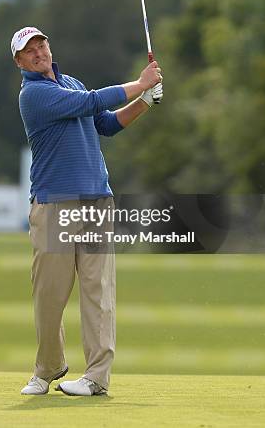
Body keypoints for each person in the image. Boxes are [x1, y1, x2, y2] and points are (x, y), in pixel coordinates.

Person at [12, 26, 162, 396]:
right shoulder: (34, 95)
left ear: (49, 46)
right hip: (53, 204)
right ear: (19, 61)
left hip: (97, 200)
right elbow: (92, 103)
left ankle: (96, 377)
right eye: (29, 50)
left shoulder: (72, 83)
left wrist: (143, 103)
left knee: (98, 292)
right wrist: (141, 83)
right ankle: (48, 367)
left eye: (41, 44)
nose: (39, 53)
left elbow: (106, 124)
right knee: (49, 295)